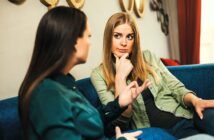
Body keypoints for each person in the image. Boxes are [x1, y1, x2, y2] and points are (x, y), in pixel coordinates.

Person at [18, 6, 154, 140]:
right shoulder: (47, 94)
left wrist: (118, 104)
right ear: (73, 41)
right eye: (87, 36)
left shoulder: (66, 82)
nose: (90, 43)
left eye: (129, 37)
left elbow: (88, 121)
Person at [90, 12, 214, 139]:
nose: (124, 43)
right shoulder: (99, 74)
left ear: (135, 40)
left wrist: (197, 101)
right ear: (108, 38)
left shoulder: (148, 56)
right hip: (154, 134)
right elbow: (120, 122)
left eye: (129, 37)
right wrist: (120, 77)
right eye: (117, 36)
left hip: (183, 119)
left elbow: (176, 88)